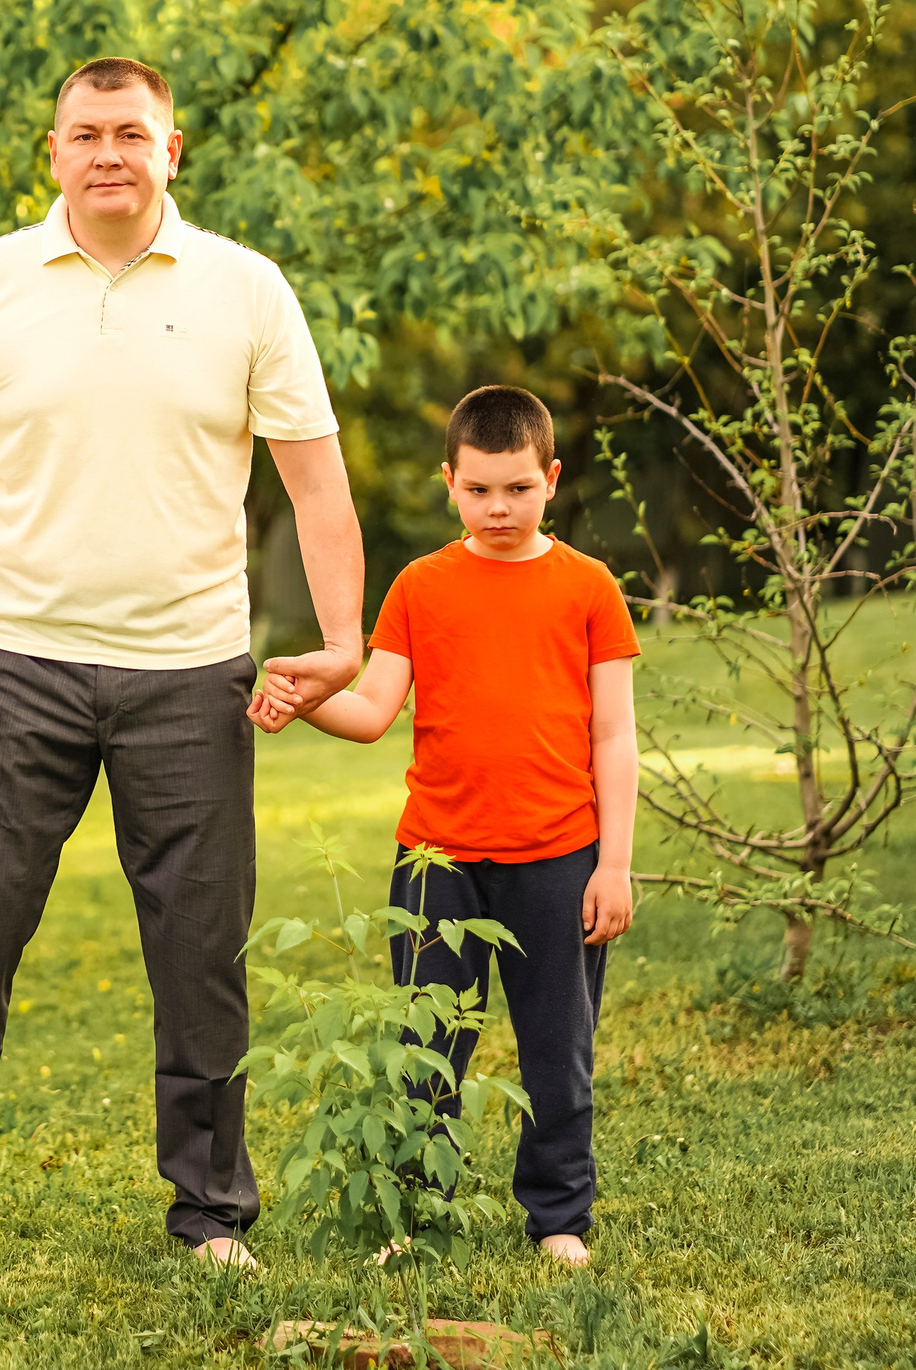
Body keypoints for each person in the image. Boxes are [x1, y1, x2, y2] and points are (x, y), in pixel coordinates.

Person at [0, 57, 367, 1272]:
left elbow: (315, 482)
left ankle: (210, 1214)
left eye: (131, 133)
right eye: (86, 132)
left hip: (191, 673)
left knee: (202, 955)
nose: (108, 152)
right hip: (10, 669)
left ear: (170, 149)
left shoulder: (247, 289)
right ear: (52, 151)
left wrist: (344, 637)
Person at [251, 383, 640, 1268]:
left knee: (558, 1051)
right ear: (449, 482)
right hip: (438, 861)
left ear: (552, 478)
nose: (498, 507)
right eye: (478, 489)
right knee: (425, 1049)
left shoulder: (589, 587)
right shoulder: (421, 586)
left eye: (518, 488)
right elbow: (372, 709)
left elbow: (615, 735)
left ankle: (559, 1216)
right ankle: (416, 1212)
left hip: (559, 857)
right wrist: (304, 699)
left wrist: (613, 863)